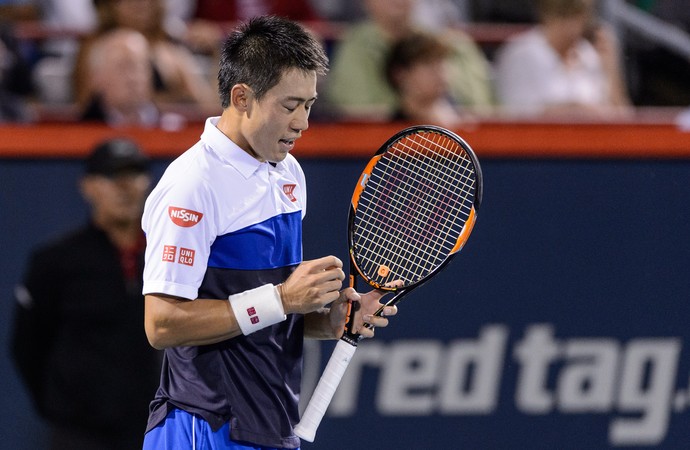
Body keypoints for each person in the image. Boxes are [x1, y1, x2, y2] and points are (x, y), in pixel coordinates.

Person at [141, 15, 398, 449]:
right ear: (241, 97)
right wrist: (282, 298)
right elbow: (162, 325)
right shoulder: (192, 184)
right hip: (206, 427)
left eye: (310, 105)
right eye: (289, 105)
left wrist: (326, 319)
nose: (303, 123)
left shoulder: (288, 173)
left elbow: (267, 318)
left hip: (272, 430)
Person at [10, 138, 161, 450]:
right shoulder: (56, 261)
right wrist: (62, 407)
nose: (124, 187)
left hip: (155, 428)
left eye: (133, 174)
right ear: (88, 187)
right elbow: (27, 345)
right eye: (111, 177)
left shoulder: (167, 256)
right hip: (81, 434)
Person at [325, 0, 494, 121]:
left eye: (438, 65)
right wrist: (409, 112)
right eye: (428, 66)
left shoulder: (452, 43)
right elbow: (355, 114)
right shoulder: (355, 45)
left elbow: (484, 112)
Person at [73, 0, 219, 117]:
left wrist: (217, 52)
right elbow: (84, 106)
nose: (140, 4)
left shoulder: (171, 52)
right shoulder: (95, 47)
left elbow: (205, 107)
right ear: (110, 5)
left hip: (162, 137)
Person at [493, 0, 631, 117]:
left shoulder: (589, 54)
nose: (573, 26)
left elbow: (623, 119)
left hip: (596, 145)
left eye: (580, 15)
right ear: (547, 15)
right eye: (564, 15)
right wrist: (577, 110)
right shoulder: (521, 53)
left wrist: (611, 68)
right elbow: (515, 117)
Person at [385, 30, 468, 127]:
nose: (439, 71)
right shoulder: (389, 131)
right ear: (400, 74)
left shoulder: (467, 123)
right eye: (428, 63)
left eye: (441, 62)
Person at [79, 28, 161, 127]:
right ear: (98, 77)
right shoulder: (80, 129)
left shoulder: (173, 125)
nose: (133, 77)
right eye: (123, 67)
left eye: (140, 67)